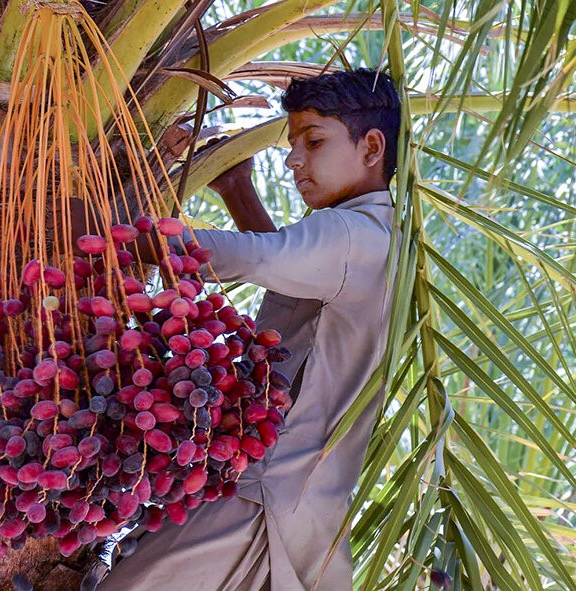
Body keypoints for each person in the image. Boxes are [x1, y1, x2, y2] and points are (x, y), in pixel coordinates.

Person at [93, 68, 401, 591]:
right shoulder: (373, 239)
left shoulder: (353, 234)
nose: (294, 159)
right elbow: (290, 272)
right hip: (289, 506)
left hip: (259, 497)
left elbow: (251, 257)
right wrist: (237, 190)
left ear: (372, 147)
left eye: (314, 141)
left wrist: (114, 234)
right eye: (293, 143)